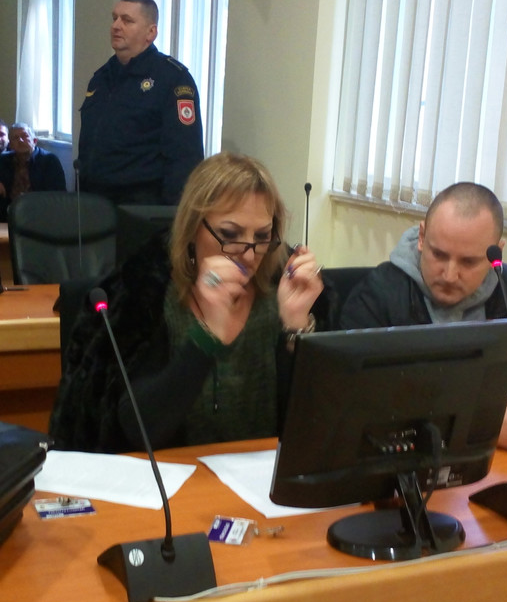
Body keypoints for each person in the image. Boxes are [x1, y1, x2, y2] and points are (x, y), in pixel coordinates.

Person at [50, 153, 325, 453]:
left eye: (262, 236)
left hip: (259, 475)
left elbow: (312, 425)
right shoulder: (151, 295)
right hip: (176, 476)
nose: (249, 254)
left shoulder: (277, 292)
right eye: (229, 234)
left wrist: (295, 328)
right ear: (193, 228)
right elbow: (137, 431)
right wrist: (206, 339)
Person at [339, 182, 507, 453]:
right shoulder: (379, 293)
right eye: (439, 254)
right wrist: (483, 426)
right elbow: (356, 401)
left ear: (496, 253)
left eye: (468, 262)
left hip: (503, 463)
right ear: (422, 237)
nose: (449, 275)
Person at [77, 0, 204, 206]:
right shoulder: (101, 78)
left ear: (151, 32)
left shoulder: (172, 79)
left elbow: (185, 158)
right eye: (114, 18)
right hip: (93, 204)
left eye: (127, 20)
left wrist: (171, 217)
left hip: (143, 208)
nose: (116, 26)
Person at [0, 122, 67, 221]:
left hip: (40, 213)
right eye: (15, 138)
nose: (20, 140)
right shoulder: (2, 160)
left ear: (34, 141)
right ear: (10, 144)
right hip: (8, 213)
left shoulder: (49, 160)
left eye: (25, 136)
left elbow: (58, 194)